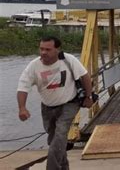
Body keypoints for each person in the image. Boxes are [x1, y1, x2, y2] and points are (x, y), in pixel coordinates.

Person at [17, 36, 93, 170]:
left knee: (60, 135)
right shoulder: (33, 66)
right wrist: (22, 108)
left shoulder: (69, 60)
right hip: (47, 107)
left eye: (48, 49)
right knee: (54, 141)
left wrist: (89, 96)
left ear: (57, 49)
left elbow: (85, 76)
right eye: (41, 49)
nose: (43, 52)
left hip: (69, 103)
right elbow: (23, 87)